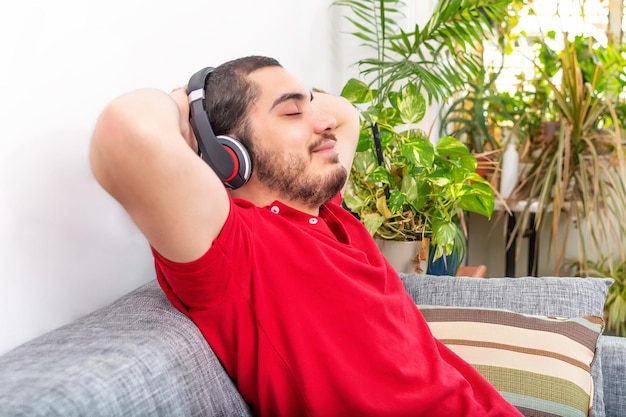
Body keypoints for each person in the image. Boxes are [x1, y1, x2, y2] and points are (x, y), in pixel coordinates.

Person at [89, 55, 523, 417]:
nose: (325, 121)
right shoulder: (236, 247)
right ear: (228, 155)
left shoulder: (329, 212)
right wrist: (188, 103)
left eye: (312, 106)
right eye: (293, 112)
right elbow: (123, 131)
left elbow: (347, 115)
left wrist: (297, 102)